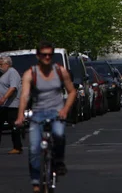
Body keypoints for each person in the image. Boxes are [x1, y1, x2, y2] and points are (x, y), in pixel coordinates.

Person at [15, 41, 76, 193]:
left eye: (50, 54)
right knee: (34, 148)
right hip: (38, 114)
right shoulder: (31, 73)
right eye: (44, 54)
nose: (47, 57)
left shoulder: (60, 71)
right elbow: (24, 95)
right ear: (38, 56)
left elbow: (72, 92)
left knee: (59, 134)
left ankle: (58, 162)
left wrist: (65, 110)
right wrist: (20, 115)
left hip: (56, 112)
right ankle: (36, 181)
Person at [0, 56, 23, 155]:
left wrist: (4, 98)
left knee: (14, 126)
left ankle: (17, 147)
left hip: (11, 105)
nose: (0, 66)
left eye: (1, 64)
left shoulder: (12, 72)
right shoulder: (4, 74)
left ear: (7, 64)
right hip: (5, 105)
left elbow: (13, 87)